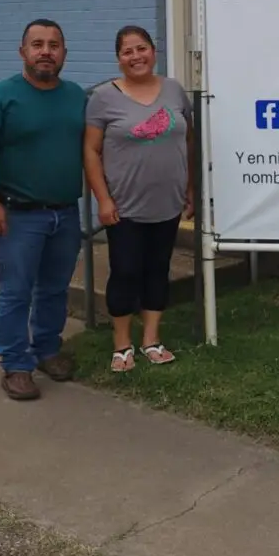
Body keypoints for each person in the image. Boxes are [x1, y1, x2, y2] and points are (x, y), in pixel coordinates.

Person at [0, 18, 88, 401]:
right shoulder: (1, 95)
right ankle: (16, 363)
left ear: (64, 54)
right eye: (37, 44)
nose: (46, 52)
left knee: (55, 288)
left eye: (54, 45)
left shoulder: (75, 96)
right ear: (23, 52)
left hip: (66, 212)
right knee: (16, 291)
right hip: (19, 213)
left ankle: (47, 350)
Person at [83, 25, 194, 372]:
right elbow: (90, 150)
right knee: (126, 271)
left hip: (168, 202)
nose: (136, 56)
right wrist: (102, 198)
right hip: (124, 206)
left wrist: (189, 187)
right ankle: (122, 344)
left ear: (153, 51)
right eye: (128, 51)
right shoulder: (103, 98)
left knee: (158, 270)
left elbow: (188, 139)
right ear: (119, 59)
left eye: (141, 48)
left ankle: (151, 339)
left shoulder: (175, 90)